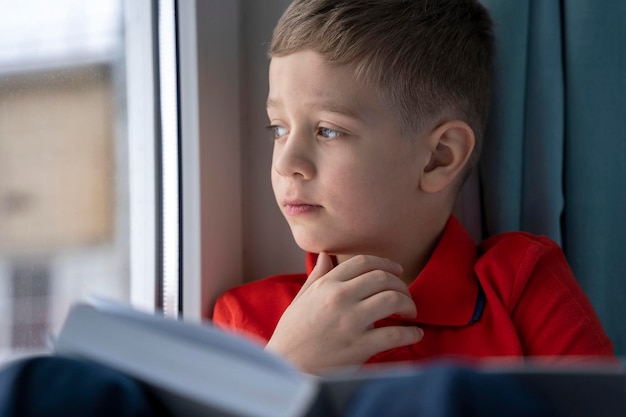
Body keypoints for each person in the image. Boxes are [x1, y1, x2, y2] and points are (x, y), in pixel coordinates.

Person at [212, 0, 615, 374]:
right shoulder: (250, 321)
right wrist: (290, 371)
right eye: (278, 128)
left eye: (328, 131)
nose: (286, 163)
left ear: (439, 157)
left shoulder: (522, 287)